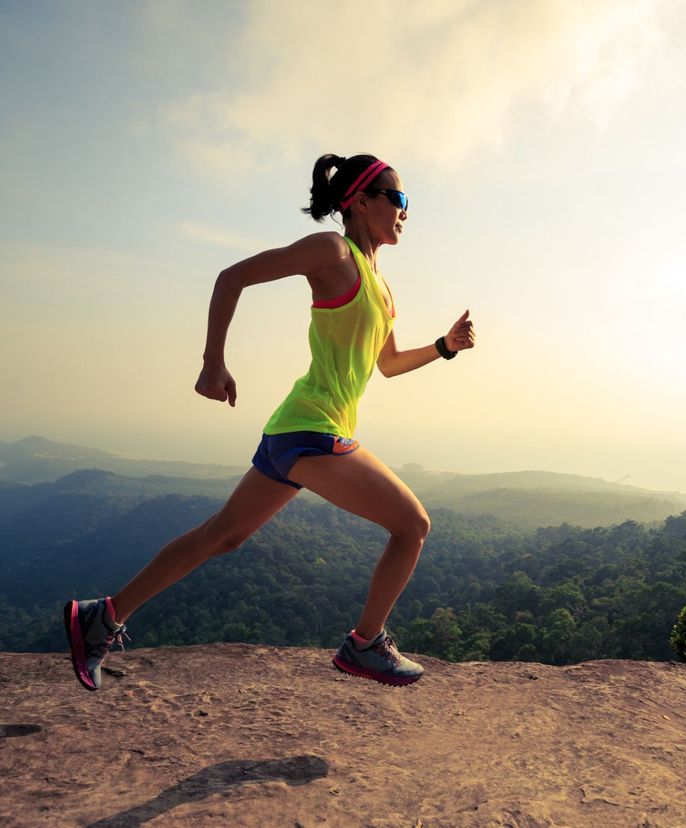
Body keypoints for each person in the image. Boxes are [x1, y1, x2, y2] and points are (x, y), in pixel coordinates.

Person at [64, 153, 475, 690]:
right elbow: (232, 277)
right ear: (358, 201)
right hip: (313, 430)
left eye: (408, 203)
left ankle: (102, 617)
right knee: (412, 525)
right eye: (397, 199)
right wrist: (214, 361)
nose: (405, 212)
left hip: (303, 431)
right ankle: (364, 644)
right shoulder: (333, 251)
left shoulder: (382, 285)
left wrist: (444, 347)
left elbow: (389, 365)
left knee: (222, 536)